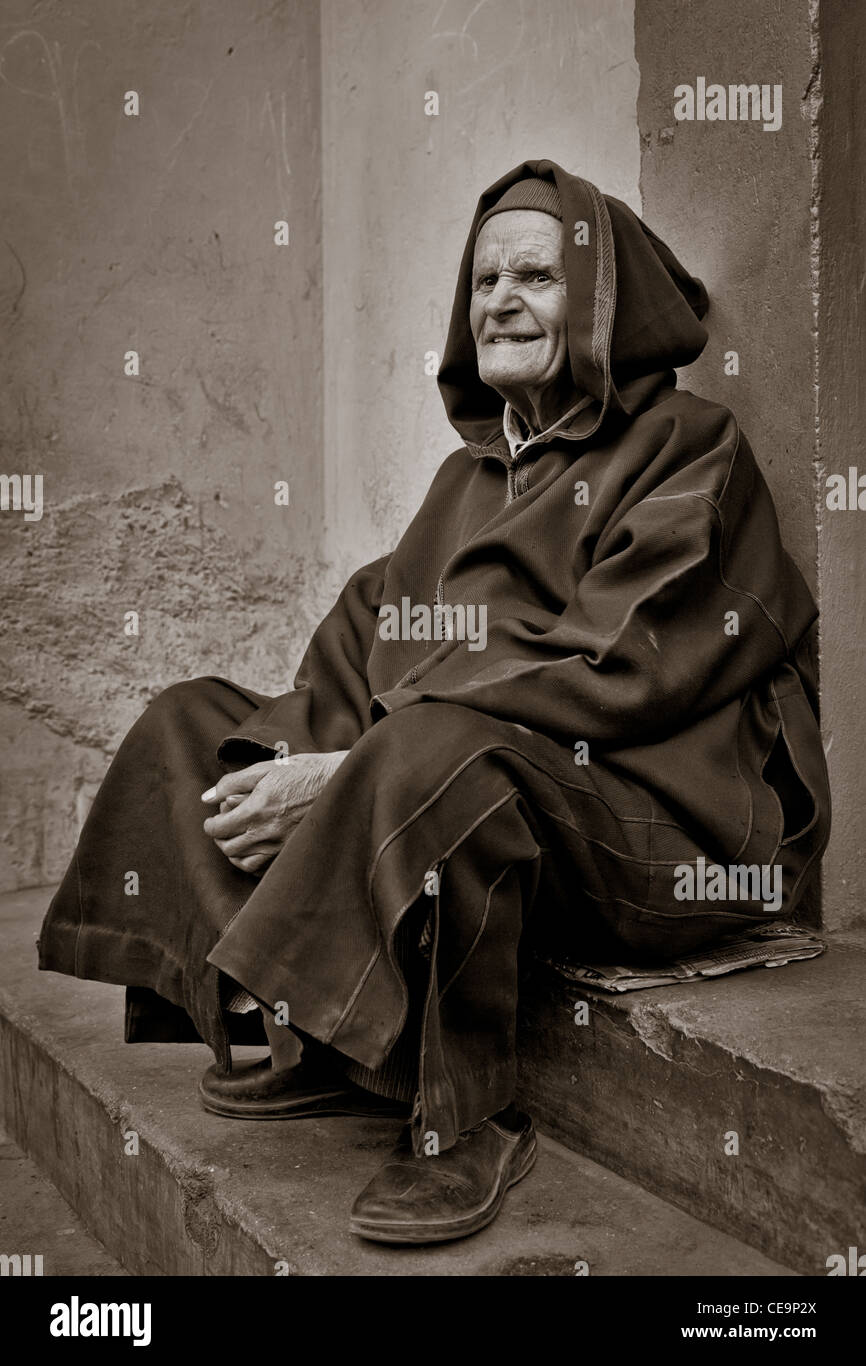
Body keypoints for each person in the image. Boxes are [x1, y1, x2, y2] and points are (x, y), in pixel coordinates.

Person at [38, 160, 831, 1245]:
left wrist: (351, 773)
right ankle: (304, 1032)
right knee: (192, 720)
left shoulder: (689, 446)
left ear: (601, 303)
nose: (497, 300)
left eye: (535, 278)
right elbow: (366, 643)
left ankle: (463, 1120)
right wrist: (302, 753)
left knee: (441, 753)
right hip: (451, 775)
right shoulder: (465, 481)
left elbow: (626, 659)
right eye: (482, 280)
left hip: (661, 825)